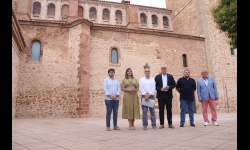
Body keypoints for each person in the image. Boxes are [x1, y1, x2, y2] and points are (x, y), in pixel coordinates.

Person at [155, 64, 176, 129]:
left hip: (168, 95)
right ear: (161, 69)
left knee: (169, 109)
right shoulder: (157, 77)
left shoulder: (170, 76)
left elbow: (174, 85)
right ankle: (161, 124)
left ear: (166, 69)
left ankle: (170, 123)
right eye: (162, 68)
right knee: (161, 110)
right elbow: (155, 86)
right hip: (161, 95)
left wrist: (169, 87)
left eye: (165, 68)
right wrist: (160, 89)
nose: (164, 69)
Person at [139, 63, 157, 130]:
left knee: (152, 111)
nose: (147, 72)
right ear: (144, 72)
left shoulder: (152, 79)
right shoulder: (141, 79)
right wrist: (145, 94)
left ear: (150, 72)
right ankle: (145, 125)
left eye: (148, 71)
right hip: (144, 96)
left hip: (151, 96)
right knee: (144, 112)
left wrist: (149, 94)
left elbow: (154, 88)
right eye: (146, 71)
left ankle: (154, 124)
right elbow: (140, 88)